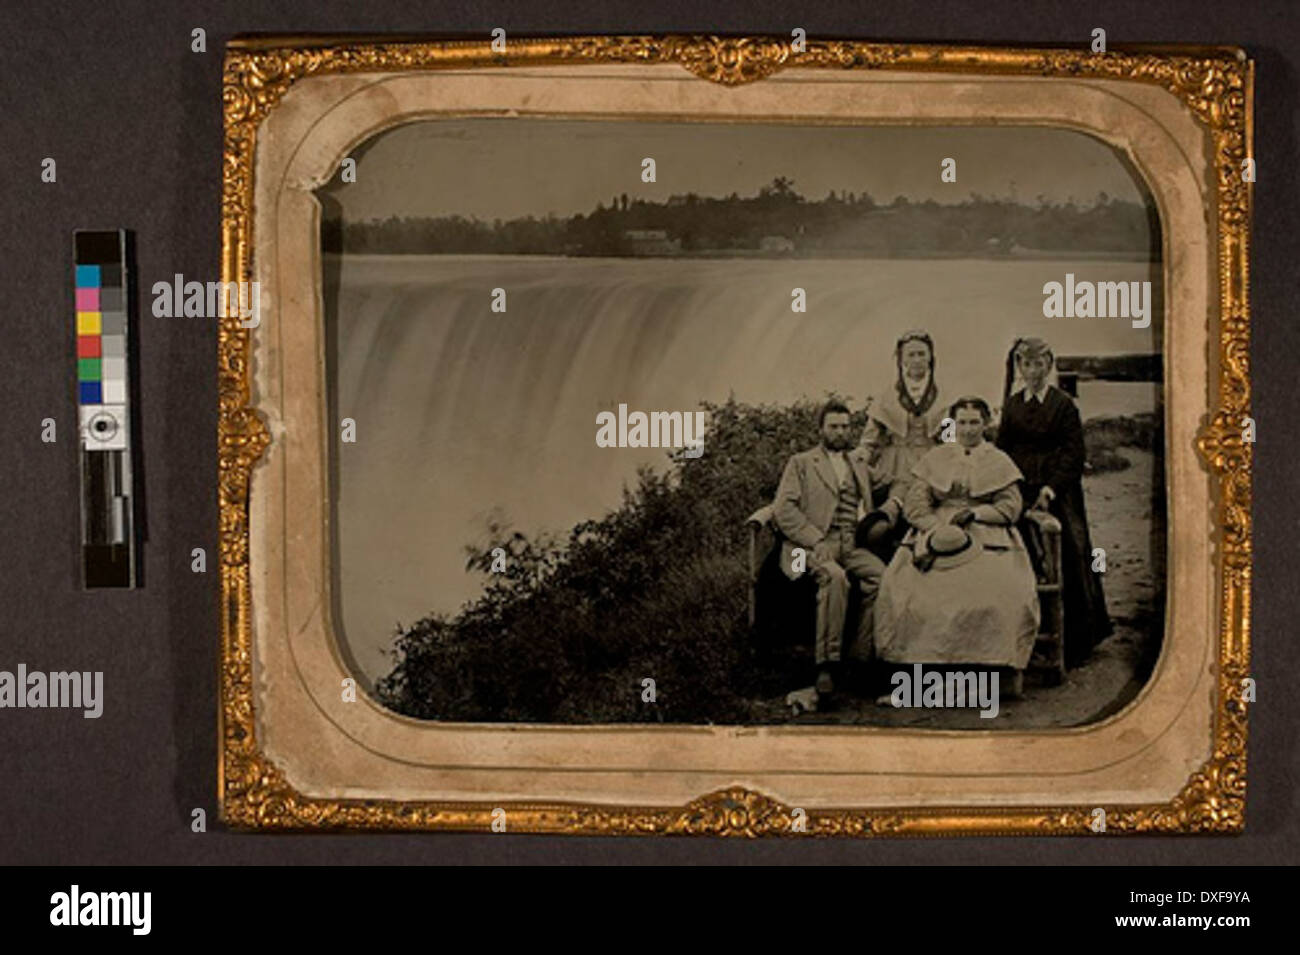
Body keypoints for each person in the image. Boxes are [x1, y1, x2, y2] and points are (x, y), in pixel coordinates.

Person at [874, 397, 1040, 680]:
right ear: (953, 424)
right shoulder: (937, 457)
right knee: (903, 585)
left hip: (986, 529)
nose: (968, 429)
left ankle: (991, 666)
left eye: (974, 422)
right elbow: (915, 503)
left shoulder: (998, 460)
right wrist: (934, 527)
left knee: (1001, 588)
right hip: (936, 530)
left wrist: (976, 515)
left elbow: (1011, 507)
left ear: (986, 424)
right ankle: (918, 667)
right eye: (962, 422)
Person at [995, 337, 1112, 665]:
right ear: (1020, 368)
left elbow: (1074, 455)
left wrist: (1050, 488)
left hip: (1058, 492)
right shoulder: (1013, 405)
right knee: (1023, 558)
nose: (1033, 371)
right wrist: (1009, 486)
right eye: (1027, 365)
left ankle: (1077, 641)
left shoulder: (1063, 405)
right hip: (1021, 490)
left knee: (1071, 553)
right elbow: (1003, 450)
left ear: (1049, 366)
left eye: (1039, 364)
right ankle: (1029, 637)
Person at [773, 400, 901, 695]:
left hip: (850, 544)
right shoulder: (801, 463)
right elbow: (784, 510)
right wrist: (815, 540)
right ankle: (826, 666)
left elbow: (898, 483)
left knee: (883, 579)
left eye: (845, 426)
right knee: (834, 577)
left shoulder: (858, 464)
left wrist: (890, 508)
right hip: (800, 549)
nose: (840, 432)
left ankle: (860, 659)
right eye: (833, 426)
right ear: (821, 429)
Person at [857, 330, 949, 559]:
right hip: (895, 461)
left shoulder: (944, 398)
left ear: (930, 358)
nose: (916, 360)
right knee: (894, 498)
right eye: (911, 355)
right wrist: (859, 457)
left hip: (931, 460)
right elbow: (870, 440)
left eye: (921, 354)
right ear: (901, 360)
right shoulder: (887, 397)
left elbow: (950, 439)